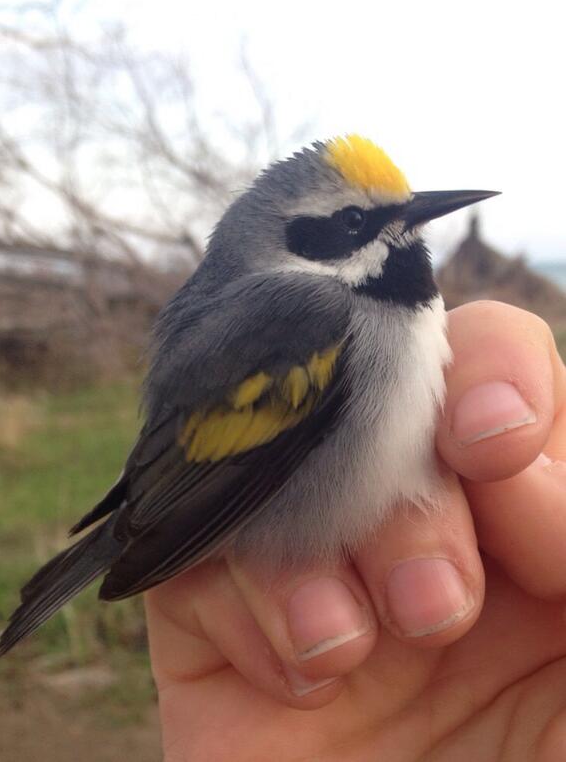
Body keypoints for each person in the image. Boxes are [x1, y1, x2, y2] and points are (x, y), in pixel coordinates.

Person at [145, 301, 566, 761]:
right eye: (356, 222)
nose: (407, 229)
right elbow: (231, 468)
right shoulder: (324, 317)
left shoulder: (359, 315)